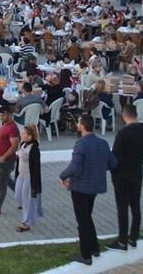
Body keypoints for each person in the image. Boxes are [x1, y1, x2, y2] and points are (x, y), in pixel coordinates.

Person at [58, 114, 118, 266]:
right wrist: (98, 170)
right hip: (95, 187)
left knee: (82, 220)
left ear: (83, 126)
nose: (77, 125)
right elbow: (113, 163)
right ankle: (94, 248)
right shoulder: (103, 143)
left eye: (78, 122)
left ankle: (86, 255)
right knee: (87, 217)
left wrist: (63, 176)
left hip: (80, 188)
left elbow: (74, 166)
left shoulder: (81, 144)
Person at [108, 102, 143, 250]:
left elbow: (114, 156)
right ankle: (133, 237)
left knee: (122, 207)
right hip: (137, 172)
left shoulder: (122, 133)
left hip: (121, 175)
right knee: (135, 205)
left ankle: (122, 240)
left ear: (124, 115)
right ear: (136, 115)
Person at [14, 125, 43, 232]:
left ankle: (26, 222)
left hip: (29, 178)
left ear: (30, 137)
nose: (21, 135)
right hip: (21, 176)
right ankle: (30, 213)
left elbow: (36, 168)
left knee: (27, 200)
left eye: (24, 133)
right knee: (18, 196)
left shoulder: (34, 149)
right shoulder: (23, 145)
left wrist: (35, 185)